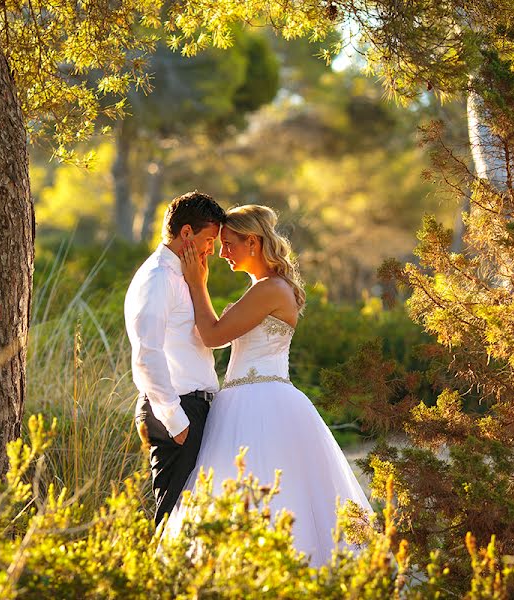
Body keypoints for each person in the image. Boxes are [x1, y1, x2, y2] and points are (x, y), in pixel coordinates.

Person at [167, 204, 371, 566]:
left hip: (260, 401)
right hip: (243, 397)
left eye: (229, 243)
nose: (221, 252)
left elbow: (213, 335)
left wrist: (198, 283)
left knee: (270, 489)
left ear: (253, 242)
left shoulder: (271, 289)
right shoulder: (263, 288)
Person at [124, 190, 227, 527]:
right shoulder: (157, 279)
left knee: (191, 519)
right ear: (186, 233)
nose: (212, 249)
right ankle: (157, 579)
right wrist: (175, 419)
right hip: (176, 409)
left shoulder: (183, 276)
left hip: (191, 406)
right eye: (209, 239)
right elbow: (146, 353)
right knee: (172, 519)